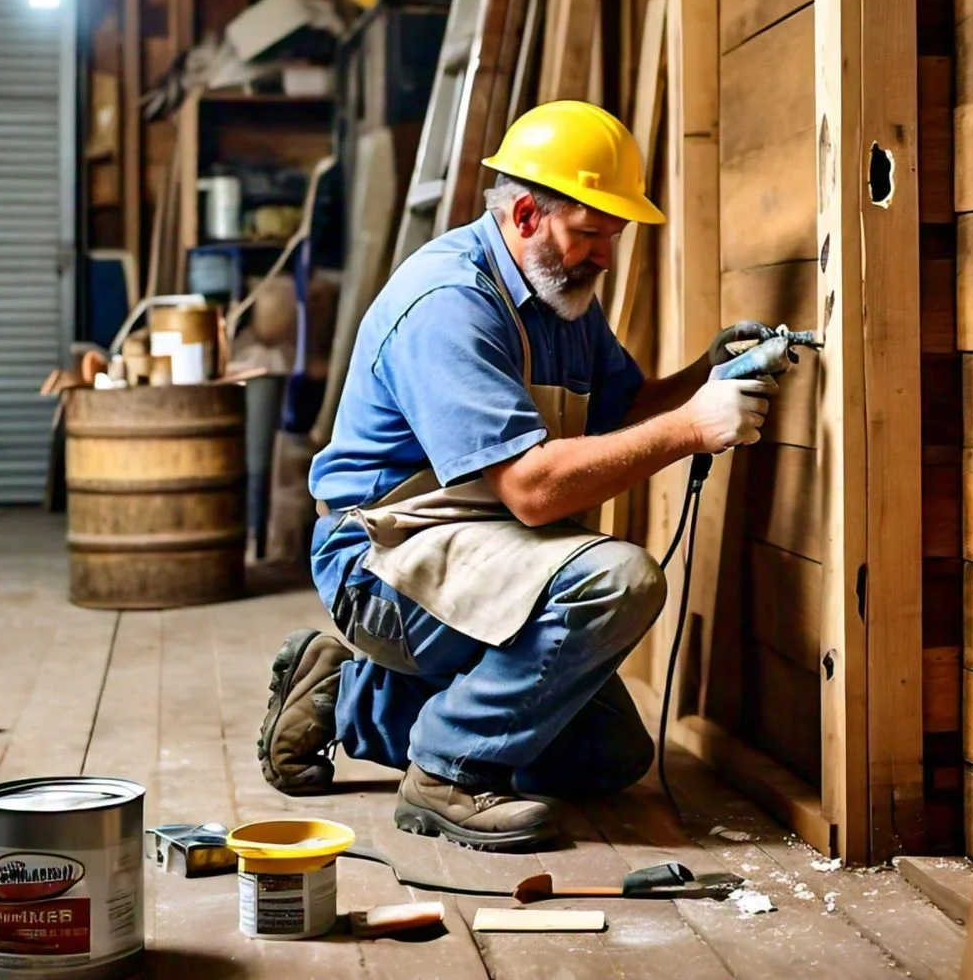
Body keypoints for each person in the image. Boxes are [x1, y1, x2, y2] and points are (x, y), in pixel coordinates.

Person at [256, 100, 793, 852]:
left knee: (608, 757)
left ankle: (349, 699)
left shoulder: (559, 292)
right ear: (529, 215)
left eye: (615, 235)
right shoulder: (448, 303)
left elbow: (621, 408)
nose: (606, 256)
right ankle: (443, 774)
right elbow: (534, 493)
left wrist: (705, 375)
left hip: (480, 546)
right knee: (619, 579)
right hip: (384, 562)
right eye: (592, 233)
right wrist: (694, 426)